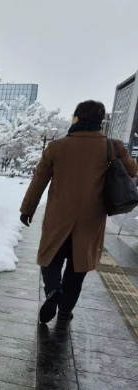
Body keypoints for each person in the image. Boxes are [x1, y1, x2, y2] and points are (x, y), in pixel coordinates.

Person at [20, 100, 138, 324]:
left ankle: (53, 291)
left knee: (50, 259)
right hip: (91, 218)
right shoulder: (112, 146)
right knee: (78, 267)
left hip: (59, 215)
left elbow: (39, 181)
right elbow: (132, 171)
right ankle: (65, 312)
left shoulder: (57, 147)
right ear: (100, 121)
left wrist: (27, 209)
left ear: (76, 118)